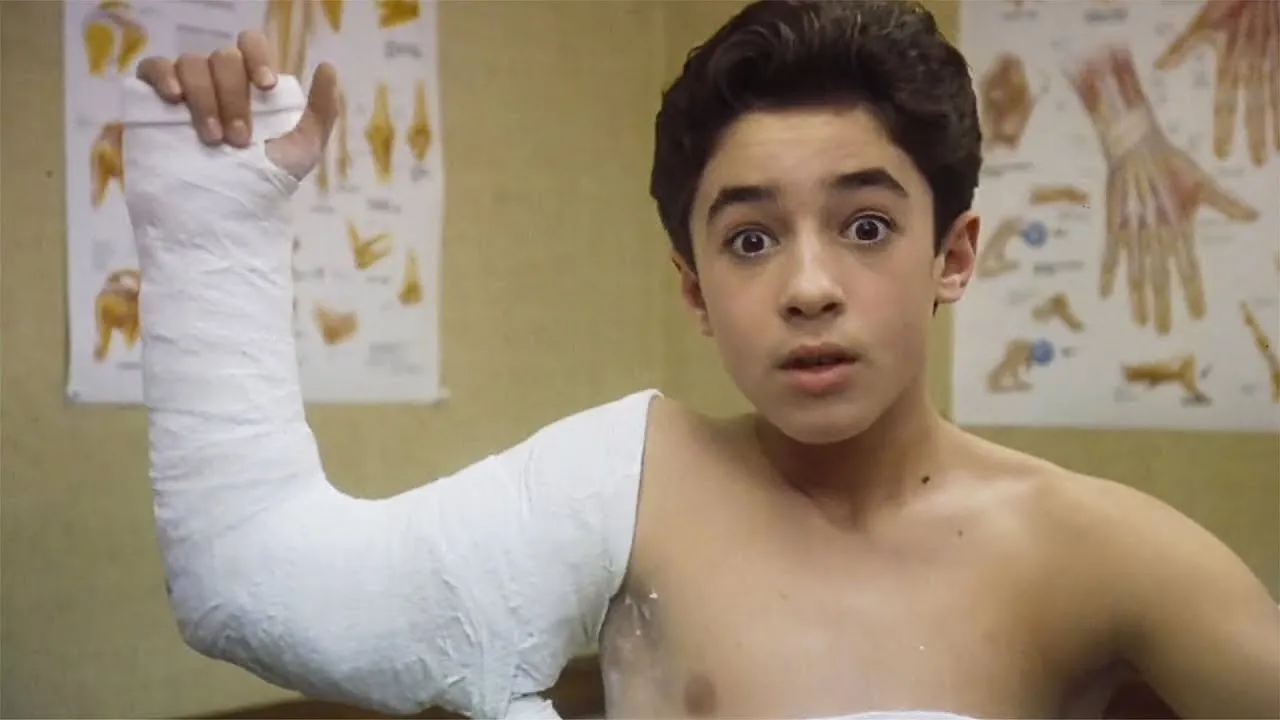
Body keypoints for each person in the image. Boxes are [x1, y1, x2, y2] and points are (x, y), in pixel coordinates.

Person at [128, 1, 1279, 719]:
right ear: (693, 288)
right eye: (749, 240)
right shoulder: (624, 488)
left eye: (865, 225)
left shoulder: (1100, 554)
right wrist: (207, 228)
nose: (808, 285)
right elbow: (252, 580)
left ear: (952, 254)